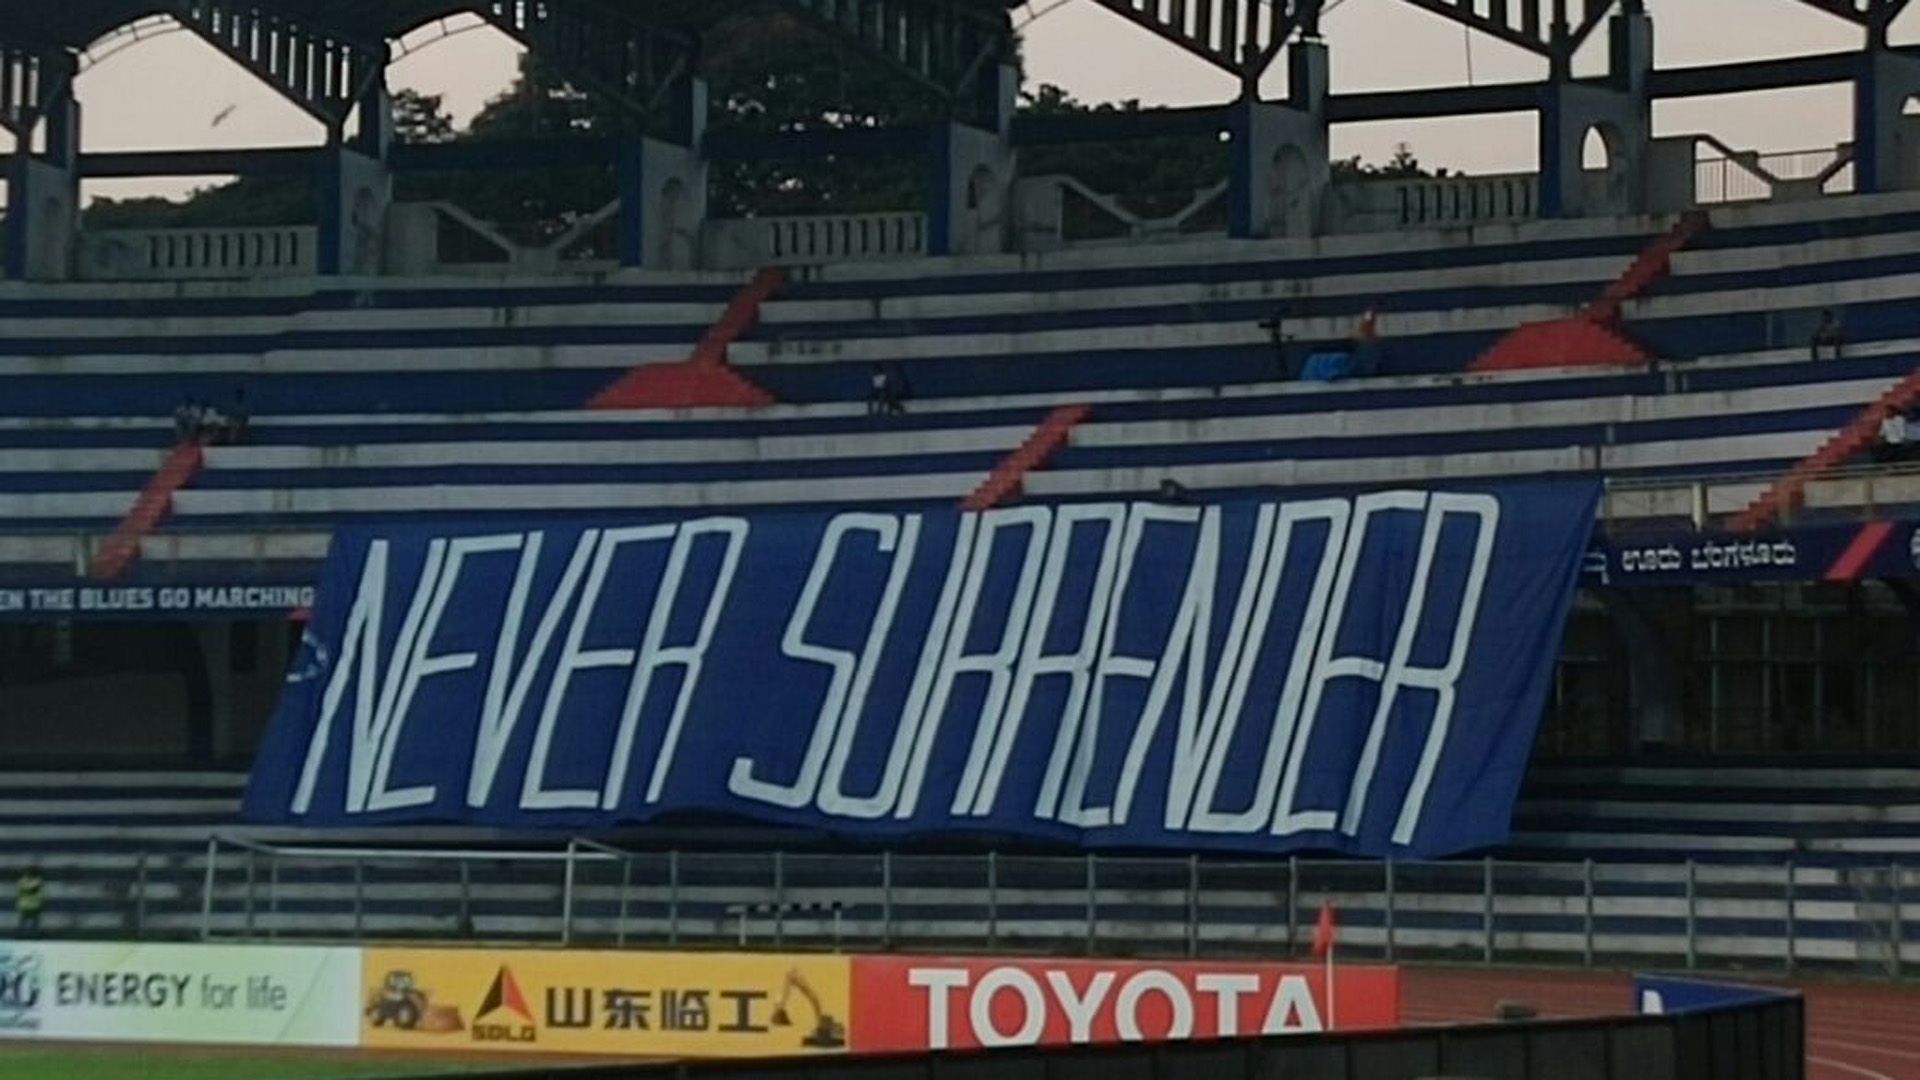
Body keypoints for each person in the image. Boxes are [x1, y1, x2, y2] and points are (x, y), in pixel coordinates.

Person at [16, 864, 43, 937]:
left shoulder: (23, 881)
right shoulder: (24, 881)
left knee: (33, 923)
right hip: (28, 905)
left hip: (32, 905)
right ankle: (21, 935)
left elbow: (22, 892)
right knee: (25, 922)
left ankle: (33, 936)